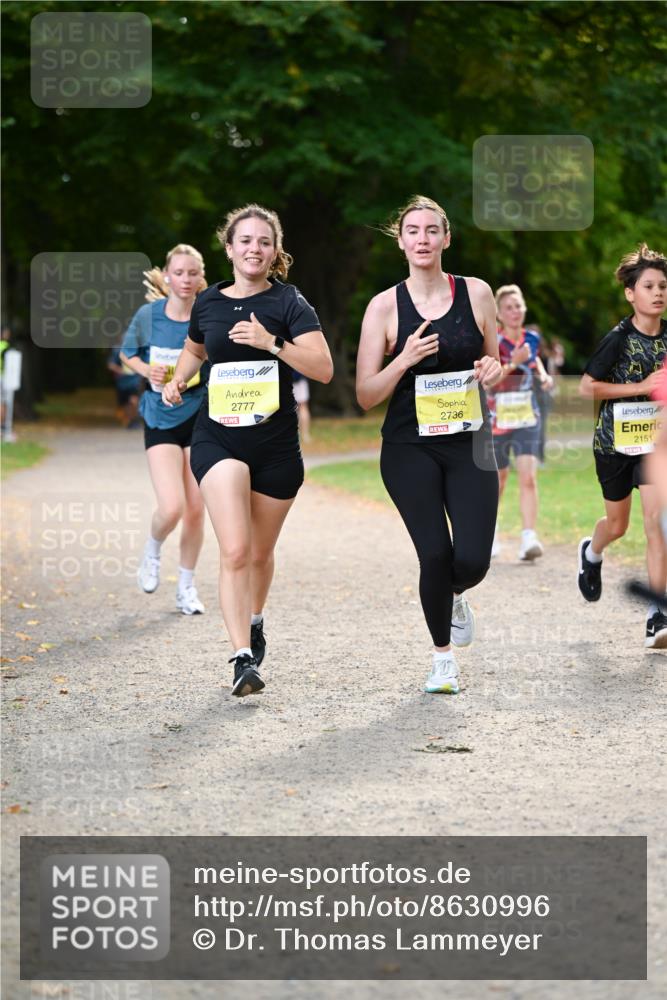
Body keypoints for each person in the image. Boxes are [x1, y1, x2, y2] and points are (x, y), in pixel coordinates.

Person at [162, 204, 333, 696]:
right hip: (218, 437)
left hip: (275, 447)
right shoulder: (209, 302)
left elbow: (323, 368)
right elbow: (196, 349)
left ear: (274, 251)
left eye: (264, 241)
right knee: (235, 549)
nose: (254, 248)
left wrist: (271, 342)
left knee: (259, 553)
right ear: (229, 248)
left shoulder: (289, 302)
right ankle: (241, 657)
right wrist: (178, 379)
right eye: (245, 240)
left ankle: (255, 619)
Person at [356, 195, 502, 695]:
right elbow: (365, 395)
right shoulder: (383, 307)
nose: (422, 239)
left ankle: (453, 593)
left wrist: (493, 368)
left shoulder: (477, 293)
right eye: (413, 231)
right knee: (435, 553)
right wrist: (404, 358)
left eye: (431, 230)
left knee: (474, 560)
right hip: (408, 446)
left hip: (469, 443)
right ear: (400, 241)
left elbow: (493, 364)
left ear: (446, 238)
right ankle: (442, 660)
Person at [578, 243, 667, 648]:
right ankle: (591, 553)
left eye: (662, 286)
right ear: (631, 293)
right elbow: (587, 387)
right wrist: (639, 387)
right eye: (649, 286)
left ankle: (657, 615)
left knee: (656, 523)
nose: (658, 293)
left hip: (655, 446)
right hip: (613, 444)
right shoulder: (617, 338)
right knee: (618, 525)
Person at [120, 244, 208, 615]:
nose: (185, 279)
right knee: (171, 508)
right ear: (167, 276)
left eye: (193, 273)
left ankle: (186, 587)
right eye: (179, 273)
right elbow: (126, 353)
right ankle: (153, 549)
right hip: (160, 417)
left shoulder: (206, 313)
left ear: (201, 277)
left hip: (199, 416)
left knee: (196, 510)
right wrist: (147, 371)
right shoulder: (149, 315)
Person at [488, 285, 553, 560]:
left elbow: (534, 359)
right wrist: (513, 363)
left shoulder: (532, 338)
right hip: (497, 419)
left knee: (528, 476)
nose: (515, 311)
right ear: (499, 314)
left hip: (527, 416)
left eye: (518, 306)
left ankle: (528, 538)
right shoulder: (492, 341)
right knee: (498, 479)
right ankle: (489, 534)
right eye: (509, 307)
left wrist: (544, 375)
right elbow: (489, 381)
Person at [107, 347, 142, 428]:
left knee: (134, 400)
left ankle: (134, 419)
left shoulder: (138, 350)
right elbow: (110, 365)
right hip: (123, 383)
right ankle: (129, 420)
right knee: (126, 404)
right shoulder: (117, 350)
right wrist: (121, 370)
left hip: (135, 382)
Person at [292, 371, 312, 442]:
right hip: (300, 380)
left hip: (288, 380)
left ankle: (296, 434)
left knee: (293, 408)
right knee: (303, 407)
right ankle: (305, 434)